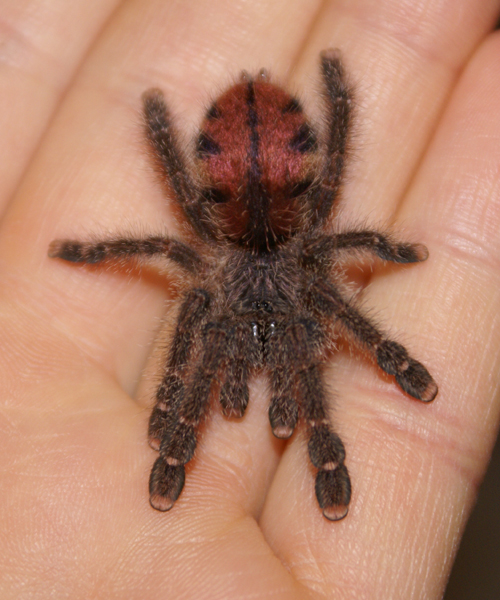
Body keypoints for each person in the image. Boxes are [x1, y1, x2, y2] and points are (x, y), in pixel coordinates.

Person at [0, 0, 499, 597]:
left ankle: (180, 458)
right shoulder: (264, 270)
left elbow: (186, 255)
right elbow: (193, 256)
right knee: (244, 303)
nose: (261, 343)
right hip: (263, 169)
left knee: (223, 297)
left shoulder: (265, 263)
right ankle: (325, 453)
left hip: (254, 174)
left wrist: (169, 405)